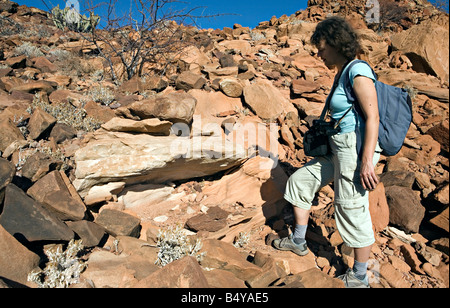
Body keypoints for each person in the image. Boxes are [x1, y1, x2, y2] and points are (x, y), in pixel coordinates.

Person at [273, 16, 381, 288]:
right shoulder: (343, 71)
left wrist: (366, 162)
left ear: (335, 42)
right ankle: (298, 241)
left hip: (354, 150)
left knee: (350, 206)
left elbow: (373, 117)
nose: (318, 53)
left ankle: (359, 277)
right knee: (301, 181)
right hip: (337, 147)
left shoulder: (358, 70)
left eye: (321, 47)